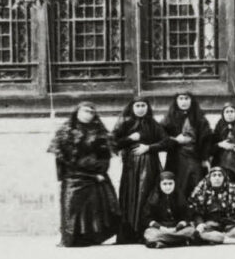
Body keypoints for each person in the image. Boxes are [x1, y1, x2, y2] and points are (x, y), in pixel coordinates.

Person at [48, 102, 120, 247]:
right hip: (74, 175)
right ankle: (72, 238)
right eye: (85, 111)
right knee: (73, 207)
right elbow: (61, 155)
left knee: (96, 207)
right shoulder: (66, 130)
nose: (88, 115)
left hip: (96, 174)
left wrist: (100, 171)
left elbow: (105, 154)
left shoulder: (100, 131)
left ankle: (92, 237)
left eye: (91, 112)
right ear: (77, 112)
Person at [112, 96, 165, 243]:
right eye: (137, 106)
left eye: (143, 105)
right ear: (132, 108)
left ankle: (145, 232)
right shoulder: (125, 123)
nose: (141, 109)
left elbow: (166, 141)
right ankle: (130, 233)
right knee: (130, 196)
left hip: (150, 166)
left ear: (147, 107)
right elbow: (113, 143)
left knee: (146, 196)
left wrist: (149, 147)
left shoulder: (153, 124)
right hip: (131, 168)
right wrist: (130, 139)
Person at [160, 91, 212, 201]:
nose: (184, 102)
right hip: (176, 156)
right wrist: (175, 140)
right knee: (178, 183)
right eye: (181, 99)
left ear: (191, 100)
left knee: (196, 182)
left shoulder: (200, 118)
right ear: (176, 101)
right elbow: (161, 135)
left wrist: (205, 157)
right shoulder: (169, 117)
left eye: (186, 98)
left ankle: (196, 212)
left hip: (195, 156)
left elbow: (207, 138)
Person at [188, 166, 235, 244]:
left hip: (230, 223)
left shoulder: (233, 188)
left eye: (220, 175)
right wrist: (200, 223)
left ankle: (219, 239)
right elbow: (196, 210)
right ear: (209, 177)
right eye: (214, 175)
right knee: (198, 232)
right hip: (210, 224)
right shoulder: (201, 190)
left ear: (224, 177)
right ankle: (232, 240)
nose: (217, 178)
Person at [143, 172, 197, 248]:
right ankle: (179, 241)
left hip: (177, 228)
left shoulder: (180, 197)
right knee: (149, 233)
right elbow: (147, 218)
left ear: (175, 184)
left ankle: (164, 241)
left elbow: (187, 216)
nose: (168, 187)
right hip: (160, 228)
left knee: (191, 231)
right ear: (159, 184)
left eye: (170, 184)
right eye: (164, 184)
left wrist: (177, 227)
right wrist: (161, 228)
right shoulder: (153, 198)